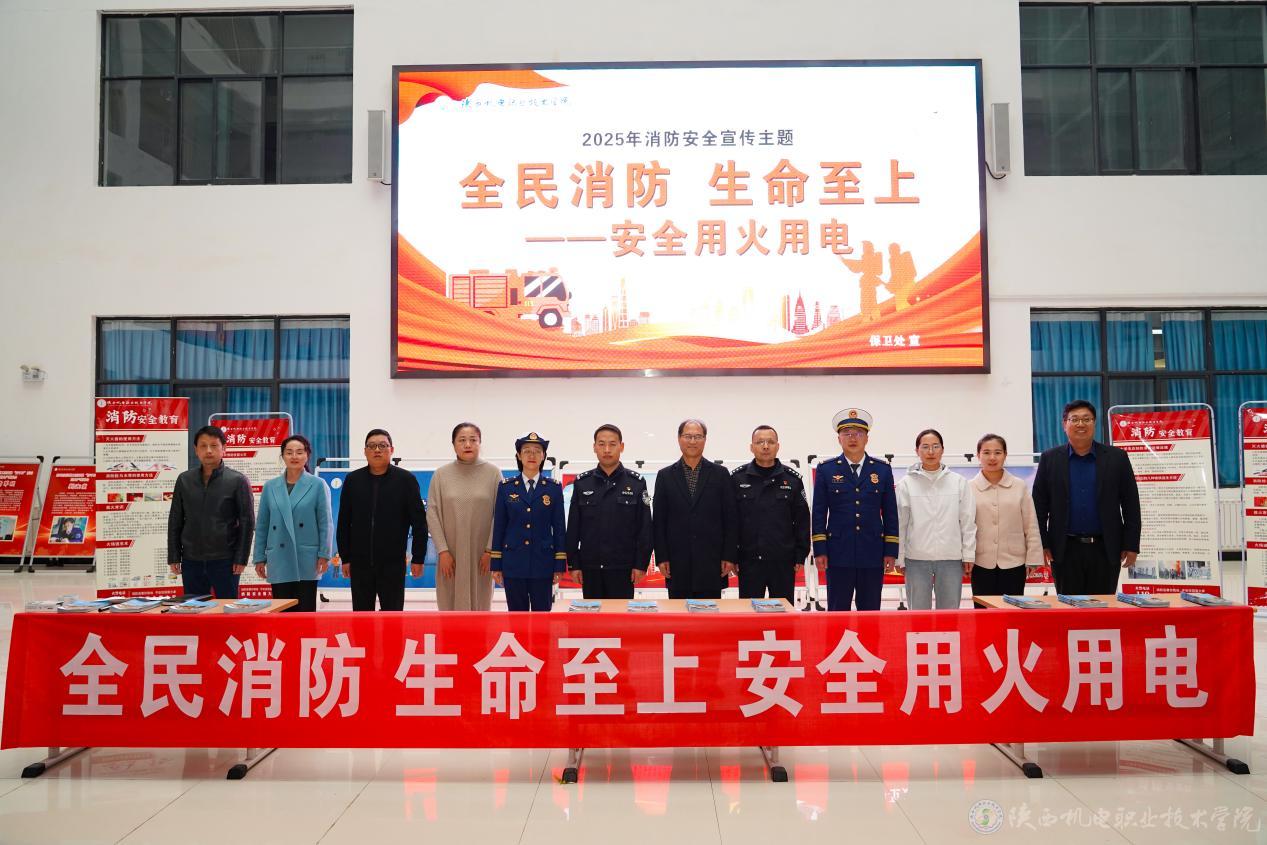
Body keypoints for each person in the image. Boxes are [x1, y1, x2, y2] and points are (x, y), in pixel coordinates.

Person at [1033, 399, 1142, 595]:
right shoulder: (1050, 459)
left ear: (1094, 423)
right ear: (1064, 424)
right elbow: (1039, 507)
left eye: (1086, 419)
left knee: (1102, 607)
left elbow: (1131, 504)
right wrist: (1042, 543)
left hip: (1106, 548)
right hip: (1064, 550)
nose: (1080, 424)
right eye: (1074, 419)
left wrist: (1131, 544)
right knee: (1068, 606)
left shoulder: (1117, 458)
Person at [812, 409, 898, 611]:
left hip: (872, 552)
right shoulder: (826, 470)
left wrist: (890, 551)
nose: (852, 438)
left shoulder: (882, 470)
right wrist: (820, 550)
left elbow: (890, 513)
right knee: (837, 610)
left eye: (858, 433)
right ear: (839, 439)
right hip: (838, 552)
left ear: (867, 438)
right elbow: (818, 513)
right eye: (847, 433)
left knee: (870, 611)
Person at [335, 429, 427, 611]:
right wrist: (345, 557)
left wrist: (418, 558)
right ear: (365, 451)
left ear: (391, 450)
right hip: (360, 564)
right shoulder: (353, 480)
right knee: (362, 618)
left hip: (393, 564)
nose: (377, 450)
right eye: (372, 446)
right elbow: (344, 522)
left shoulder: (406, 480)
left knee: (393, 617)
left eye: (382, 445)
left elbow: (419, 523)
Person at [653, 419, 738, 599]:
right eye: (688, 436)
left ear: (705, 439)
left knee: (711, 613)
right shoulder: (665, 476)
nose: (692, 441)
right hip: (676, 562)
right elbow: (659, 521)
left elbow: (730, 519)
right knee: (678, 613)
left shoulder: (720, 474)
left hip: (712, 561)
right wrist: (662, 557)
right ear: (679, 439)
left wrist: (729, 556)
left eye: (698, 437)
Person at [167, 425, 255, 599]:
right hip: (191, 560)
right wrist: (174, 555)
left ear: (224, 448)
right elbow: (175, 519)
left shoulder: (237, 480)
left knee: (227, 608)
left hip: (226, 560)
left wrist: (241, 558)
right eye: (203, 446)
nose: (208, 450)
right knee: (194, 608)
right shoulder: (184, 480)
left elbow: (247, 521)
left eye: (214, 445)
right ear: (196, 450)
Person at [566, 424, 652, 599]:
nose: (607, 449)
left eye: (612, 444)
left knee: (621, 616)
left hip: (624, 568)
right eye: (601, 444)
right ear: (594, 447)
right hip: (590, 568)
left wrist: (640, 564)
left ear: (621, 447)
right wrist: (574, 564)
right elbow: (574, 527)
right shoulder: (582, 483)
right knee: (593, 615)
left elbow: (645, 527)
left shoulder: (636, 482)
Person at [895, 429, 976, 610]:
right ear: (917, 451)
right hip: (916, 558)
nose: (930, 452)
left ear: (942, 449)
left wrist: (968, 554)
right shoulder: (906, 484)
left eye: (935, 446)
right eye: (925, 447)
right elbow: (901, 523)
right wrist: (900, 557)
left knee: (949, 614)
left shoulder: (958, 482)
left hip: (951, 558)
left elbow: (968, 521)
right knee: (918, 614)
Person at [253, 434, 333, 613]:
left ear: (307, 455)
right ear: (282, 456)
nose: (294, 456)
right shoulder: (270, 486)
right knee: (282, 613)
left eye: (299, 452)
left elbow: (325, 523)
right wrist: (259, 557)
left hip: (306, 557)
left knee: (305, 613)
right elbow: (262, 525)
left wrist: (324, 554)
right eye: (289, 452)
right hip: (278, 556)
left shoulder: (318, 485)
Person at [427, 422, 502, 611]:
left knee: (480, 607)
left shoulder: (493, 473)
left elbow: (500, 515)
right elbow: (432, 514)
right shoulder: (441, 475)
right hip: (450, 555)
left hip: (481, 556)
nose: (467, 444)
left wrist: (490, 551)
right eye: (462, 440)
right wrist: (443, 551)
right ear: (453, 444)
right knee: (449, 606)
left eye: (473, 440)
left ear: (480, 443)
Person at [731, 425, 810, 602]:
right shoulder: (737, 479)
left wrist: (800, 555)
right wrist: (732, 556)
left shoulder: (792, 480)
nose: (765, 446)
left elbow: (802, 521)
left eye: (770, 442)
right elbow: (731, 522)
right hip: (749, 561)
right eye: (760, 442)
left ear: (778, 446)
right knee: (749, 613)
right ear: (751, 447)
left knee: (783, 613)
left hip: (783, 561)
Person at [491, 432, 567, 611]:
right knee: (517, 617)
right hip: (513, 563)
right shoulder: (506, 487)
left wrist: (559, 565)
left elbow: (559, 528)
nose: (532, 455)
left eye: (537, 451)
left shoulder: (553, 488)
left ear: (543, 456)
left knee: (542, 616)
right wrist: (496, 564)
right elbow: (499, 527)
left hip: (543, 563)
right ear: (519, 455)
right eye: (526, 451)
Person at [969, 433, 1043, 599]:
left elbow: (1030, 524)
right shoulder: (969, 488)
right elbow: (965, 527)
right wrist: (965, 557)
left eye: (998, 452)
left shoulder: (1019, 486)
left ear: (1005, 455)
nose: (992, 457)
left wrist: (1033, 557)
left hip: (1014, 562)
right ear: (978, 455)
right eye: (986, 452)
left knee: (1012, 610)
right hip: (980, 562)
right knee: (983, 610)